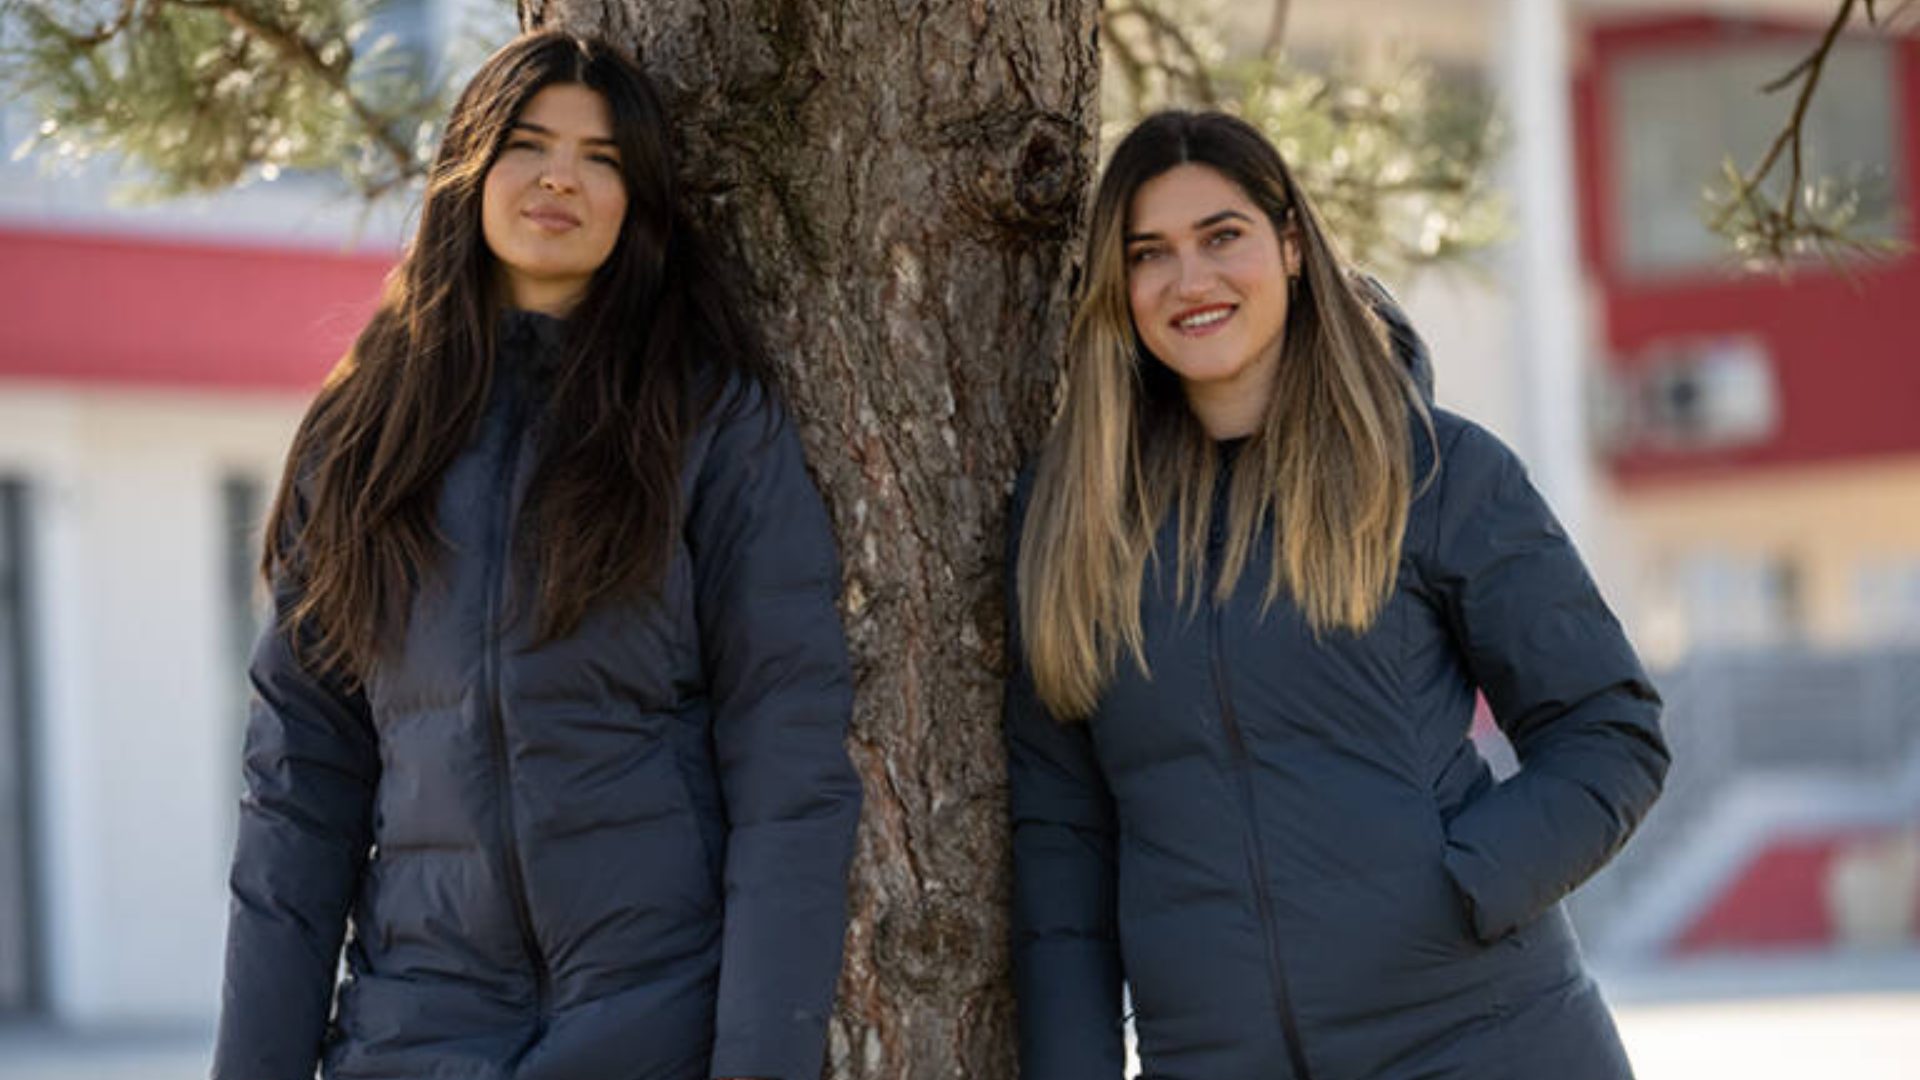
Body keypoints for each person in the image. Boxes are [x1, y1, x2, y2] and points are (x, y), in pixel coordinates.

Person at [212, 31, 861, 1080]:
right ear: (469, 167)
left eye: (603, 158)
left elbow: (789, 768)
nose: (562, 174)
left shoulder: (704, 421)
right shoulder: (365, 437)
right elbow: (299, 786)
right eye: (528, 142)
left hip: (651, 1025)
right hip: (414, 1032)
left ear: (639, 204)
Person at [1005, 110, 1669, 1080]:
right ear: (1119, 285)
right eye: (1150, 253)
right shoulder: (1074, 517)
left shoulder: (1435, 472)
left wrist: (1455, 888)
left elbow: (1611, 730)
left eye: (1221, 236)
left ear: (1290, 245)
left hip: (1482, 1042)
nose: (1190, 281)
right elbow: (1062, 834)